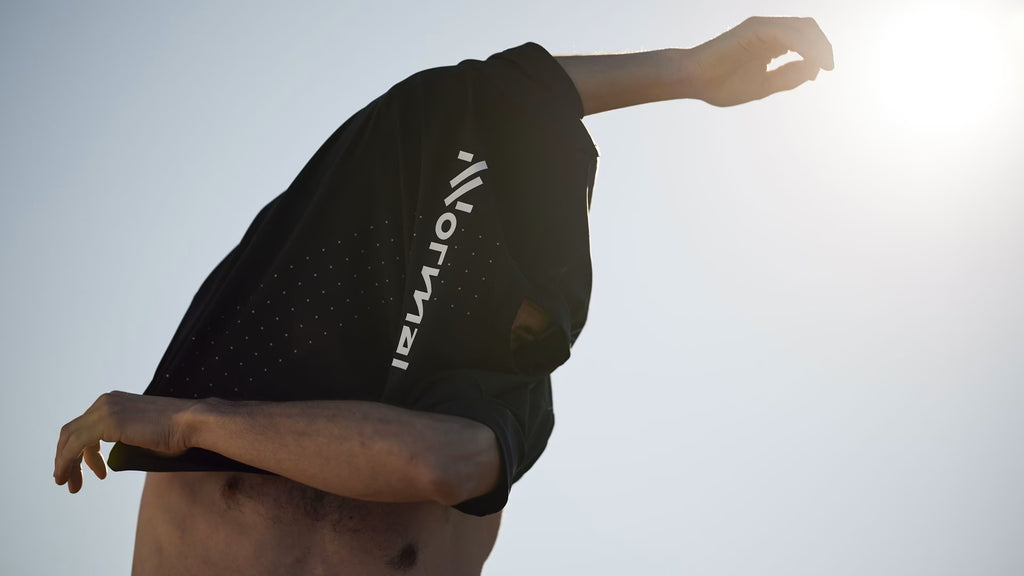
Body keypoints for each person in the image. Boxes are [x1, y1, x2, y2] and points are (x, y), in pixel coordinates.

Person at [54, 16, 833, 575]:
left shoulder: (510, 396)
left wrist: (186, 423)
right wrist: (686, 72)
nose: (518, 316)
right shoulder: (293, 285)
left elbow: (441, 467)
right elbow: (483, 96)